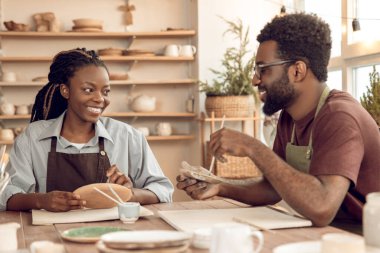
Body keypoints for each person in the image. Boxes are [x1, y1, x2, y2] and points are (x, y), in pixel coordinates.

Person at [177, 13, 380, 228]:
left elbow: (322, 207)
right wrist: (220, 185)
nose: (255, 80)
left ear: (297, 71)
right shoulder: (289, 117)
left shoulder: (340, 116)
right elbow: (273, 187)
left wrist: (252, 147)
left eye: (263, 70)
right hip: (331, 234)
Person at [0, 48, 173, 212]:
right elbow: (6, 195)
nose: (100, 99)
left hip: (114, 235)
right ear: (65, 90)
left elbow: (163, 190)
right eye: (88, 90)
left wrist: (130, 194)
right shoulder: (33, 137)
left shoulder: (128, 136)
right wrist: (41, 200)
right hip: (50, 234)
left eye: (105, 91)